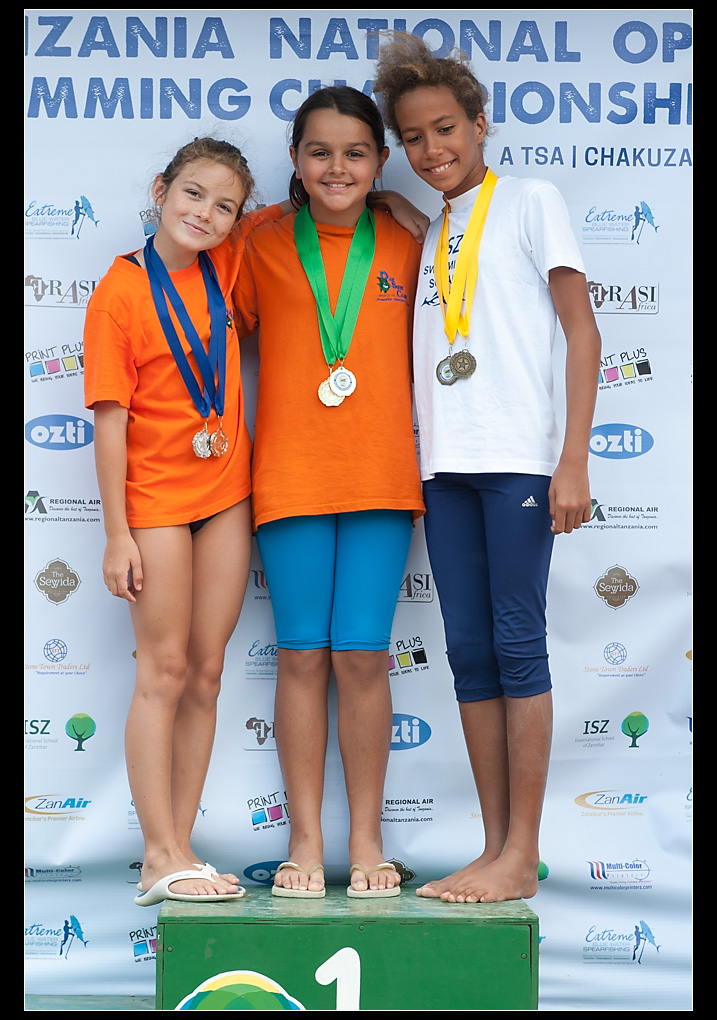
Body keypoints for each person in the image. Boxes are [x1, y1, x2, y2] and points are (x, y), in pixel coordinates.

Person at [374, 36, 602, 903]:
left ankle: (522, 852)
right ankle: (492, 848)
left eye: (445, 128)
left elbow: (580, 329)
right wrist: (401, 209)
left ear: (478, 122)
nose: (432, 149)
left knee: (515, 644)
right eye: (413, 137)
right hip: (443, 467)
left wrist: (571, 458)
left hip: (517, 464)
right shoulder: (431, 227)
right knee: (468, 655)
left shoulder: (532, 200)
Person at [84, 137, 292, 906]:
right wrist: (117, 534)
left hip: (226, 495)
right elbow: (110, 423)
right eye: (193, 194)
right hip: (156, 505)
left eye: (224, 205)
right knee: (164, 671)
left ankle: (182, 847)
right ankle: (156, 854)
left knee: (205, 673)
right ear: (160, 189)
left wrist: (391, 198)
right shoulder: (119, 293)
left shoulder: (226, 262)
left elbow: (309, 201)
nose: (205, 214)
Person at [234, 87, 425, 898]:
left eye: (355, 152)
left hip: (382, 477)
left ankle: (368, 842)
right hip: (289, 477)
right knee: (303, 656)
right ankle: (304, 843)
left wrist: (407, 212)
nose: (336, 167)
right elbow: (204, 301)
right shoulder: (258, 240)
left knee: (361, 657)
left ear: (380, 160)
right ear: (295, 160)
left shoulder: (412, 243)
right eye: (319, 152)